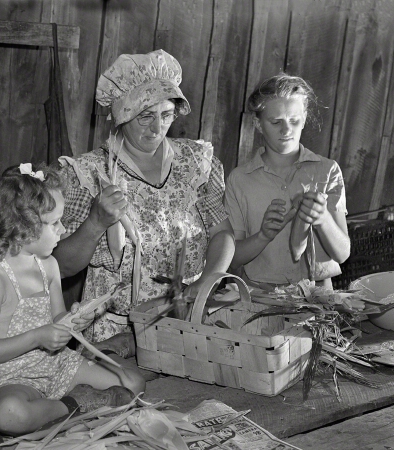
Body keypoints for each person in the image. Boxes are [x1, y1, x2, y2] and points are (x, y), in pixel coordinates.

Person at [53, 49, 234, 348]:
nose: (157, 128)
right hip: (116, 334)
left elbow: (223, 233)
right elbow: (61, 266)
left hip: (190, 323)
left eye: (166, 115)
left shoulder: (197, 162)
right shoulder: (86, 174)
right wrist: (96, 223)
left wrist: (208, 280)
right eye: (145, 117)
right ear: (121, 115)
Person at [0, 163, 145, 437]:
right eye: (55, 223)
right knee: (9, 415)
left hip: (54, 363)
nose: (62, 230)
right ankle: (74, 404)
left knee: (134, 383)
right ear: (20, 226)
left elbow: (58, 321)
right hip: (9, 376)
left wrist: (74, 319)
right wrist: (37, 337)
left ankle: (73, 390)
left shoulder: (47, 265)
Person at [225, 74, 350, 290]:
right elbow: (233, 259)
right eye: (276, 122)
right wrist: (263, 236)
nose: (286, 130)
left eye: (294, 121)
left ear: (305, 118)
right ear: (258, 124)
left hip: (317, 298)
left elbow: (342, 254)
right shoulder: (240, 179)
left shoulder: (327, 171)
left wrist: (322, 219)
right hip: (259, 298)